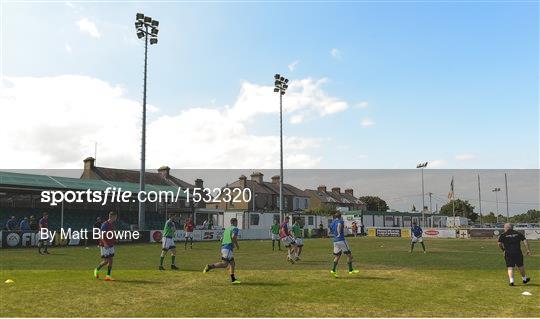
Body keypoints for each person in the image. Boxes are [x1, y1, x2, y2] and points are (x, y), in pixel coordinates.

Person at [203, 218, 241, 284]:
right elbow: (233, 237)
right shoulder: (235, 228)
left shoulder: (227, 229)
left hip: (224, 247)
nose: (237, 224)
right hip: (228, 248)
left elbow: (221, 239)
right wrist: (236, 245)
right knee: (226, 264)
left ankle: (233, 279)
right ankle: (209, 266)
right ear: (234, 222)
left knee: (229, 263)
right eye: (236, 222)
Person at [329, 212, 359, 278]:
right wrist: (340, 232)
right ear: (340, 216)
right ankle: (350, 270)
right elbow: (340, 225)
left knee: (337, 256)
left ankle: (333, 270)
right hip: (341, 240)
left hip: (335, 241)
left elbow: (331, 229)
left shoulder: (332, 222)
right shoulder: (341, 221)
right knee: (350, 255)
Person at [94, 211, 118, 281]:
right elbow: (101, 235)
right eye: (115, 217)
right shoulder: (105, 224)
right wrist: (105, 243)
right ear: (112, 217)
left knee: (111, 260)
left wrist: (115, 238)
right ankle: (97, 269)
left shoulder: (111, 224)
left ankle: (108, 276)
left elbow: (111, 233)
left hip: (110, 244)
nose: (116, 218)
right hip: (105, 245)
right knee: (106, 261)